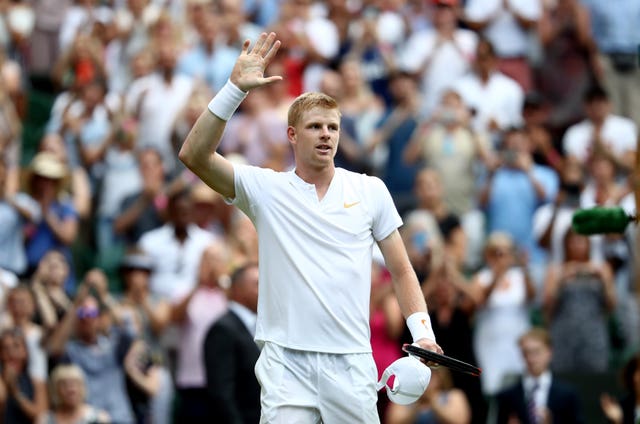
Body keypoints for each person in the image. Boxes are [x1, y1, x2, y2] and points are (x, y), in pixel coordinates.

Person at [178, 32, 441, 423]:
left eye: (333, 128)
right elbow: (194, 155)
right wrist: (234, 89)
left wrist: (423, 332)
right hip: (286, 365)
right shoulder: (265, 188)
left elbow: (402, 270)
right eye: (316, 126)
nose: (326, 135)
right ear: (292, 135)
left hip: (351, 362)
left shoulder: (370, 190)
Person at [203, 262, 260, 424]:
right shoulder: (223, 329)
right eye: (257, 284)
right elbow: (221, 392)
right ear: (237, 289)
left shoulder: (261, 327)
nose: (265, 291)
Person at [495, 327, 585, 424]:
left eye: (536, 352)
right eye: (526, 353)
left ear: (549, 352)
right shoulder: (507, 396)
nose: (531, 358)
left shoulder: (567, 395)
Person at [37, 364, 110, 424]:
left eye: (75, 384)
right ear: (56, 390)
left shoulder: (99, 419)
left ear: (82, 387)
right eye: (64, 385)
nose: (71, 390)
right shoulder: (45, 420)